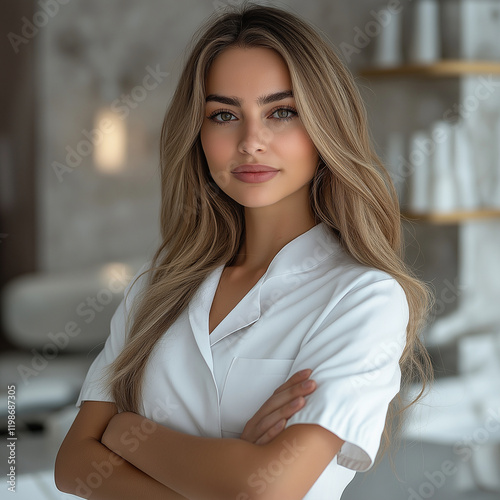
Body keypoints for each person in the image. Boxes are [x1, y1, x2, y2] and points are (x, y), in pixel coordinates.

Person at [55, 2, 434, 499]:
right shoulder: (154, 290)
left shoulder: (364, 298)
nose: (251, 141)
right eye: (224, 115)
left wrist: (126, 433)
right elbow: (72, 465)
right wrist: (225, 474)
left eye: (281, 112)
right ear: (199, 133)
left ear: (323, 128)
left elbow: (265, 489)